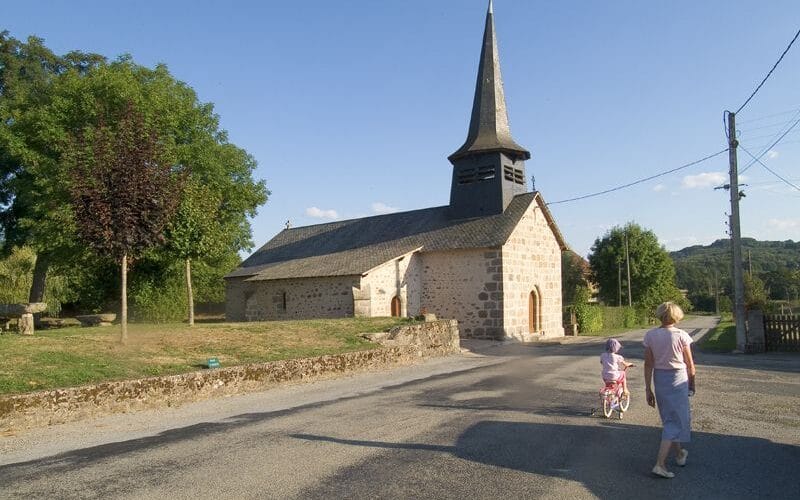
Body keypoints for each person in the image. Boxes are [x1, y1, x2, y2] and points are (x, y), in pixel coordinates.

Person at [643, 301, 696, 479]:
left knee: (669, 419)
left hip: (660, 379)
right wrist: (692, 384)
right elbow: (690, 365)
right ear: (676, 316)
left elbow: (648, 364)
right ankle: (660, 464)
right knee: (676, 420)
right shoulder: (682, 336)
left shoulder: (650, 336)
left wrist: (647, 389)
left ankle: (680, 453)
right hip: (678, 379)